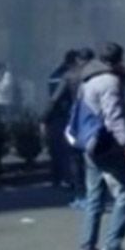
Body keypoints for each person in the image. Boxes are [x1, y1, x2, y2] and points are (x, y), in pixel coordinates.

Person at [75, 42, 125, 250]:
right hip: (108, 146)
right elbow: (115, 118)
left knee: (94, 197)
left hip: (89, 145)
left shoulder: (87, 79)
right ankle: (111, 249)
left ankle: (87, 248)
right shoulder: (110, 82)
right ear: (119, 60)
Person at [42, 50, 81, 192]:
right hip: (66, 115)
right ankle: (68, 178)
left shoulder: (54, 74)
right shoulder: (69, 76)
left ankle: (56, 178)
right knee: (67, 149)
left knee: (55, 148)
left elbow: (51, 97)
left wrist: (45, 117)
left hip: (54, 116)